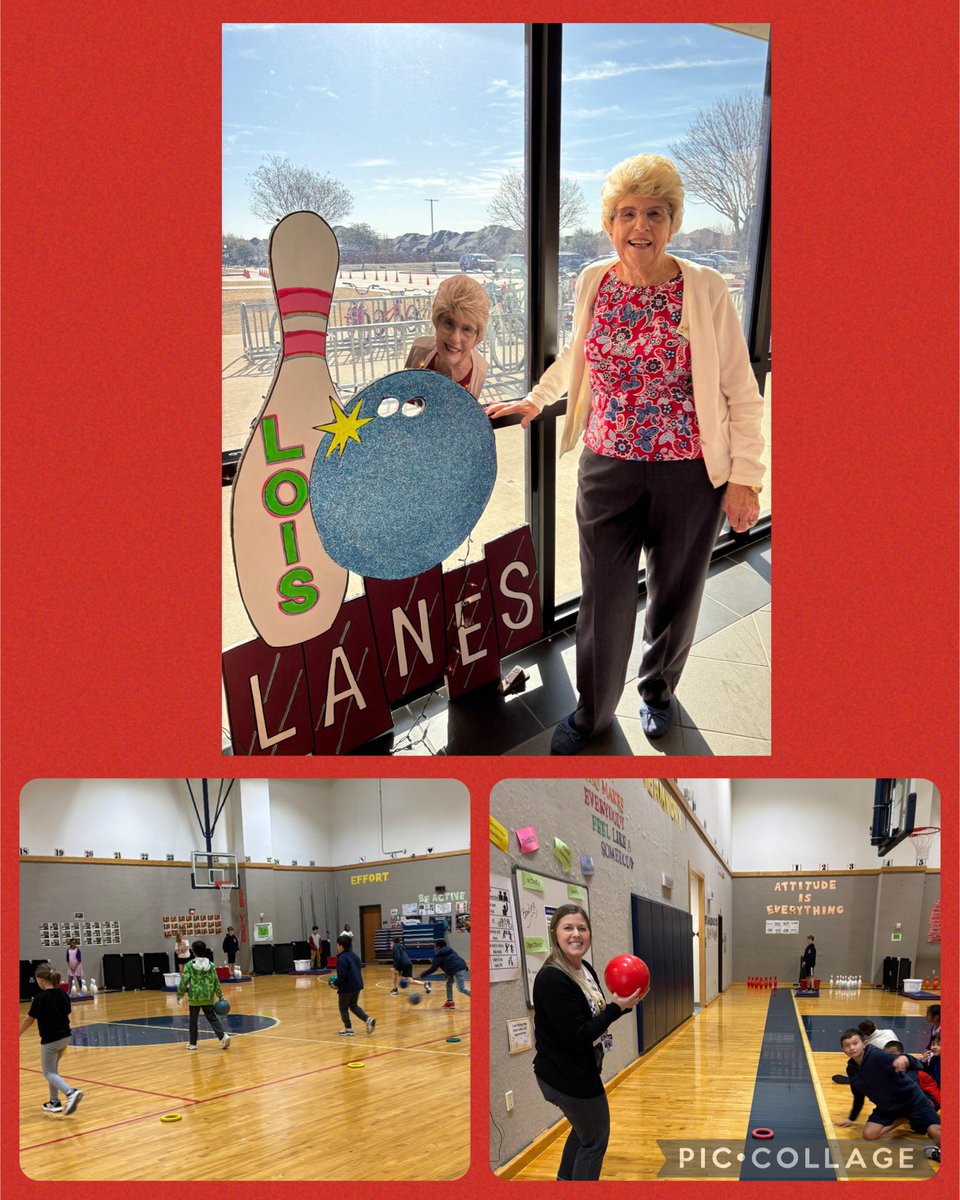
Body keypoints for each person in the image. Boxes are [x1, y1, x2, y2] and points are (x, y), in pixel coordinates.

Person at [486, 154, 765, 752]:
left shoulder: (705, 288)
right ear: (610, 224)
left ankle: (658, 690)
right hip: (607, 467)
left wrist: (746, 478)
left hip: (691, 473)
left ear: (673, 223)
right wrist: (537, 401)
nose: (641, 226)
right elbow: (577, 355)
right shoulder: (596, 280)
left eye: (655, 214)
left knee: (675, 592)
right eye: (628, 214)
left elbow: (741, 389)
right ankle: (593, 715)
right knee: (604, 599)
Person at [531, 904, 643, 1180]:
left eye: (582, 928)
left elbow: (598, 1016)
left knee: (583, 1133)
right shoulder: (552, 979)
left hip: (580, 1069)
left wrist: (626, 1004)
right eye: (567, 928)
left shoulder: (585, 969)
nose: (576, 934)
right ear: (554, 934)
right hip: (566, 1077)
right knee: (594, 1140)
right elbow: (577, 1036)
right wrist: (615, 1009)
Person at [834, 1029, 939, 1150]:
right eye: (847, 1045)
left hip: (912, 1102)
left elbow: (917, 1064)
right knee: (869, 1135)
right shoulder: (851, 1070)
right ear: (843, 1050)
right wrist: (851, 1118)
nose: (851, 1048)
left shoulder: (877, 1055)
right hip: (887, 1107)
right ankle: (902, 1119)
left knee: (934, 1132)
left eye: (855, 1043)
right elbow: (858, 1096)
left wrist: (905, 1059)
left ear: (865, 1044)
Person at [404, 274, 489, 399]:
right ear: (437, 322)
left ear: (477, 336)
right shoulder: (418, 351)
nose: (455, 338)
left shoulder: (480, 371)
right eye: (449, 324)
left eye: (467, 329)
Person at [19, 964, 84, 1115]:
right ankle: (54, 1102)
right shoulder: (63, 994)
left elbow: (29, 1020)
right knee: (53, 1070)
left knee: (48, 1072)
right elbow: (67, 1013)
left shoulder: (40, 998)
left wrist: (17, 1034)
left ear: (41, 980)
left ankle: (70, 1092)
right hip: (66, 1037)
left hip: (50, 1040)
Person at [176, 941, 231, 1051]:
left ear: (193, 952)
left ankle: (193, 1044)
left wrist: (180, 994)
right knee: (212, 1017)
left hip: (195, 997)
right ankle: (223, 1036)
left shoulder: (190, 965)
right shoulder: (210, 965)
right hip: (207, 996)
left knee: (193, 1020)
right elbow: (216, 981)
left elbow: (184, 981)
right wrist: (220, 995)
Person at [334, 934, 374, 1036]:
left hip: (347, 987)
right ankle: (368, 1019)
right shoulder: (355, 956)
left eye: (338, 945)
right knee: (353, 1005)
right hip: (357, 985)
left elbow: (342, 975)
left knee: (343, 1008)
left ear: (342, 946)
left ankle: (348, 1028)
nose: (337, 947)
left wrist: (336, 983)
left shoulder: (342, 958)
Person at [883, 1040, 940, 1109]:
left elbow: (910, 1094)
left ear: (900, 1055)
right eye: (885, 1054)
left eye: (892, 1053)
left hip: (932, 1100)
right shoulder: (891, 1068)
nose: (888, 1057)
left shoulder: (912, 1072)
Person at [419, 938, 470, 1009]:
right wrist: (447, 973)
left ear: (438, 947)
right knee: (449, 983)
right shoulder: (450, 950)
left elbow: (433, 968)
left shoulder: (438, 955)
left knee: (461, 988)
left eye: (435, 946)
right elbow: (450, 962)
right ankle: (450, 1002)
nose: (434, 948)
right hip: (461, 966)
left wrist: (422, 974)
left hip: (457, 970)